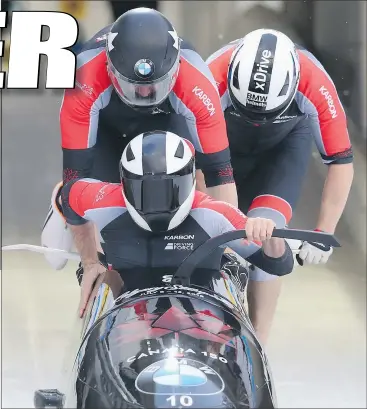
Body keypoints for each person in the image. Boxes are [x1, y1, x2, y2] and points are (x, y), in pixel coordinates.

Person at [41, 8, 238, 272]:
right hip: (107, 129)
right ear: (109, 69)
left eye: (154, 85)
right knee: (80, 253)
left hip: (168, 121)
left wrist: (222, 254)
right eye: (134, 86)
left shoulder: (196, 82)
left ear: (175, 68)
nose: (144, 94)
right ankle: (59, 201)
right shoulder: (83, 78)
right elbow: (78, 178)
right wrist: (90, 262)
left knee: (196, 181)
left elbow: (219, 174)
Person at [60, 131, 294, 336]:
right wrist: (90, 260)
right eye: (146, 191)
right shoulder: (104, 200)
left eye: (169, 190)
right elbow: (68, 195)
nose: (158, 202)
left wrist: (271, 236)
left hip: (202, 320)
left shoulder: (215, 214)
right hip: (125, 316)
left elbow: (277, 264)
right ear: (125, 184)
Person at [204, 28, 354, 344]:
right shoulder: (209, 76)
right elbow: (182, 152)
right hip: (220, 149)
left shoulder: (315, 84)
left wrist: (323, 232)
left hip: (282, 150)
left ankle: (259, 343)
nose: (257, 118)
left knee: (268, 235)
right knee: (211, 227)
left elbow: (340, 161)